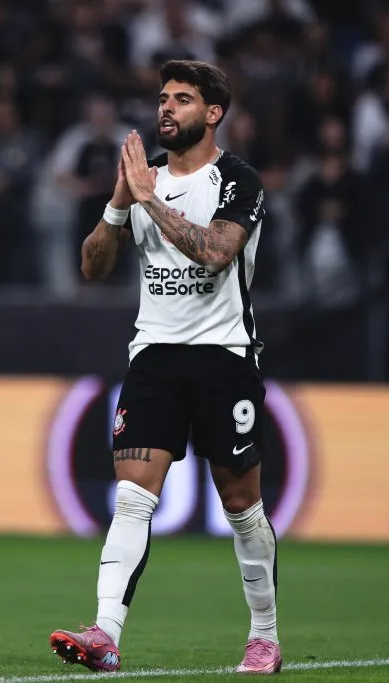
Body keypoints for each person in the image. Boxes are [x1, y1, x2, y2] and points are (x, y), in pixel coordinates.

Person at [48, 60, 281, 675]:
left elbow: (216, 253)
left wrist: (150, 200)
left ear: (213, 113)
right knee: (131, 498)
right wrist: (118, 206)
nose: (166, 109)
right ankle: (104, 633)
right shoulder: (141, 183)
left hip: (225, 357)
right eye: (162, 98)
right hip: (153, 355)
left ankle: (264, 635)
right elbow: (93, 267)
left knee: (241, 506)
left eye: (182, 99)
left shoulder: (240, 181)